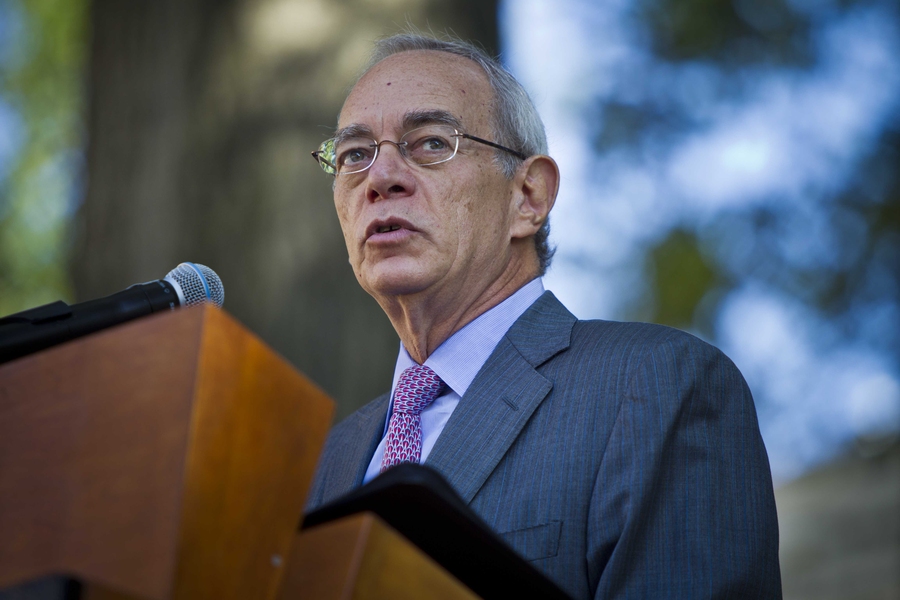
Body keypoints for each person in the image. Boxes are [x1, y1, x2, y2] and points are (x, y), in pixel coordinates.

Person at [305, 33, 782, 599]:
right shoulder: (322, 462)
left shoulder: (656, 387)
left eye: (431, 142)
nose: (380, 177)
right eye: (354, 154)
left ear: (528, 196)